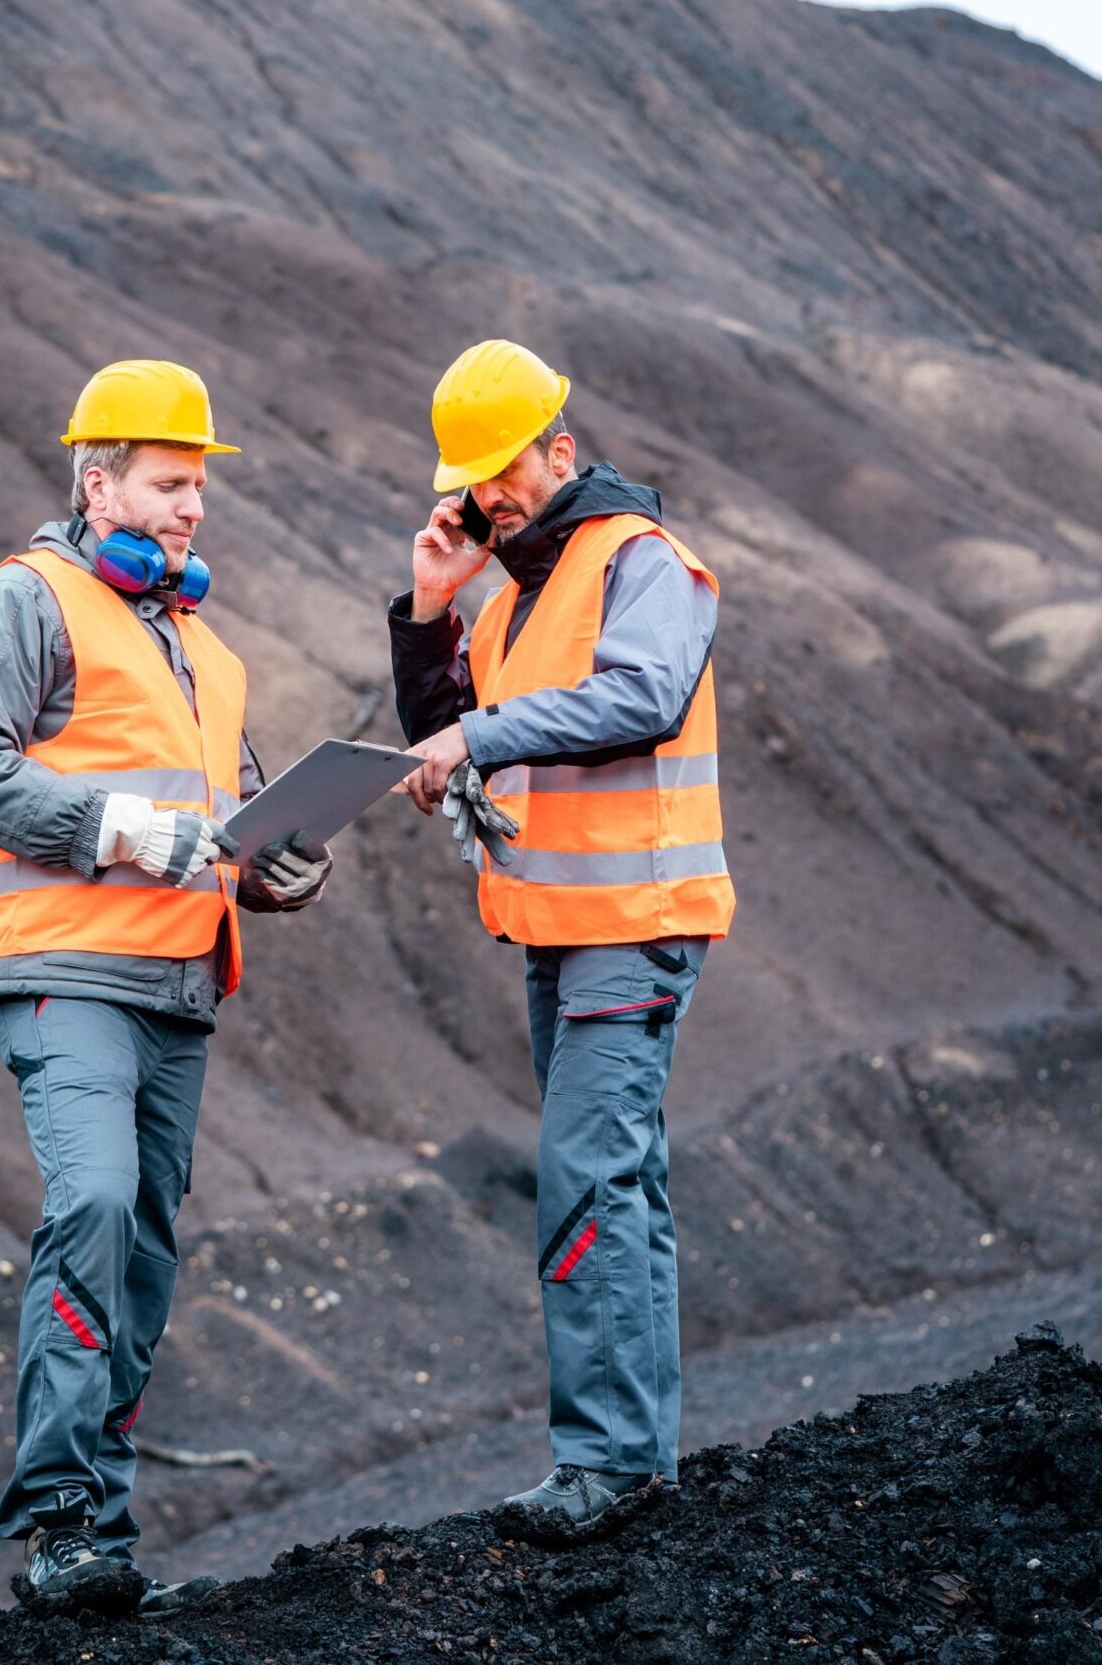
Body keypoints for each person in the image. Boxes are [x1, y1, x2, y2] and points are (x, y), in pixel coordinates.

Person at [0, 358, 331, 1615]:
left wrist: (278, 866)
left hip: (177, 983)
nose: (190, 506)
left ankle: (99, 1528)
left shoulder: (205, 648)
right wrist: (117, 828)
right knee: (93, 1201)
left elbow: (219, 825)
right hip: (60, 967)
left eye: (198, 485)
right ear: (97, 484)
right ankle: (53, 1523)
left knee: (143, 1250)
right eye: (167, 483)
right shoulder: (21, 601)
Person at [386, 339, 734, 1527]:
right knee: (618, 1177)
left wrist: (475, 743)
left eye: (506, 469)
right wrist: (431, 612)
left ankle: (606, 1461)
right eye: (474, 479)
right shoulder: (514, 599)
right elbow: (451, 724)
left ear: (562, 450)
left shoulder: (642, 560)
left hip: (634, 920)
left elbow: (640, 696)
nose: (491, 495)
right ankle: (638, 1456)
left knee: (587, 1173)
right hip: (558, 925)